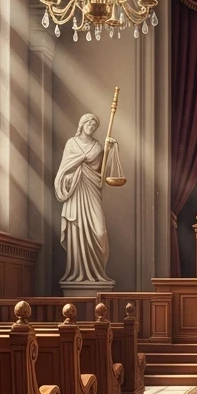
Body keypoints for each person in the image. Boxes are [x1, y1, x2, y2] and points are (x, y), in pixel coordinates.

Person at [55, 113, 117, 284]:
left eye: (94, 125)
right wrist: (69, 177)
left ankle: (97, 273)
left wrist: (108, 151)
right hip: (75, 190)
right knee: (78, 229)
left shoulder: (98, 146)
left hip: (91, 190)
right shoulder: (71, 143)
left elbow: (101, 172)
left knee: (99, 232)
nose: (91, 126)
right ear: (81, 124)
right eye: (88, 123)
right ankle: (78, 274)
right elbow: (63, 169)